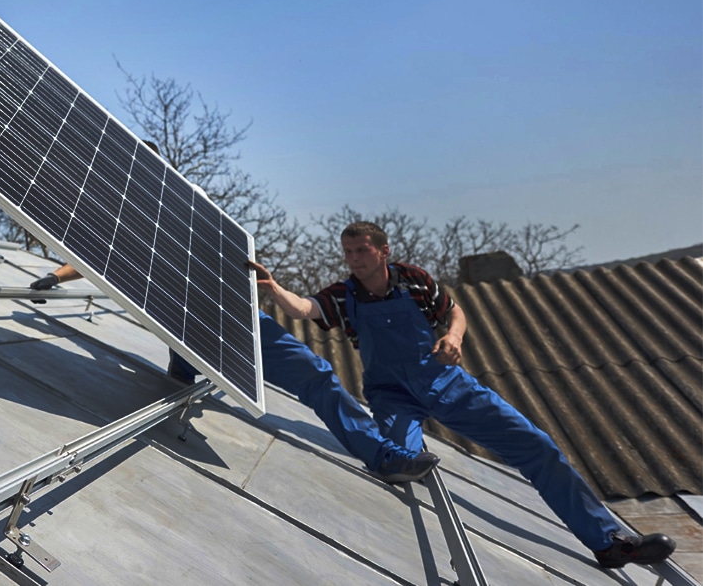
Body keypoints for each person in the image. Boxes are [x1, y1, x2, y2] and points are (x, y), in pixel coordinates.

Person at [259, 220, 676, 569]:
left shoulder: (415, 281)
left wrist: (454, 338)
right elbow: (304, 308)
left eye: (361, 251)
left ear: (383, 250)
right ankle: (404, 500)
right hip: (391, 396)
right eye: (348, 253)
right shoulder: (342, 294)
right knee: (402, 462)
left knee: (537, 446)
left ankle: (609, 541)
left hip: (447, 384)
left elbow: (454, 309)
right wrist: (274, 289)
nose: (354, 260)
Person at [29, 257, 440, 484]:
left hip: (237, 320)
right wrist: (53, 275)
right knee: (184, 366)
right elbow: (95, 251)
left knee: (316, 375)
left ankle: (385, 456)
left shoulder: (186, 206)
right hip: (186, 327)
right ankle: (182, 367)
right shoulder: (122, 216)